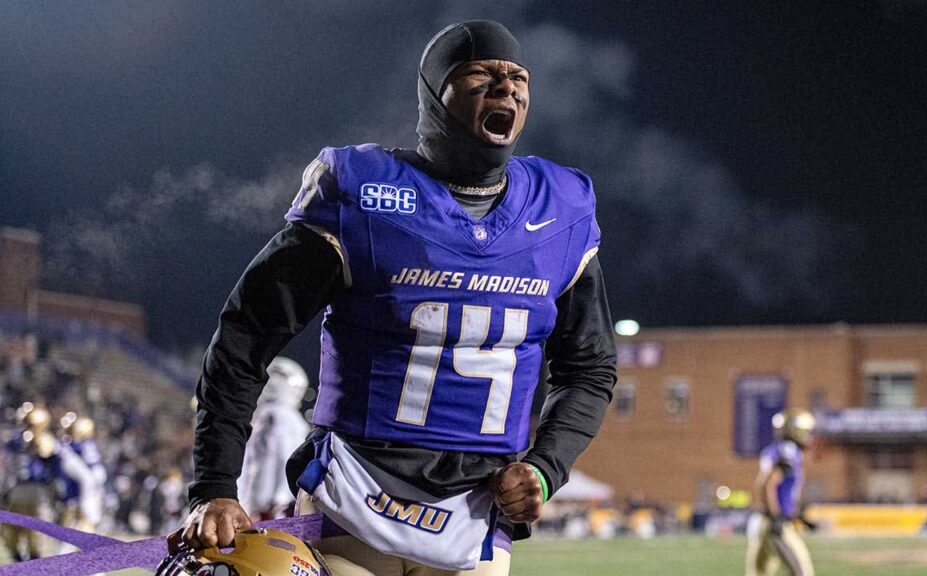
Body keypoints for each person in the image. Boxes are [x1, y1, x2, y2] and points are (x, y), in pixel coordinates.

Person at [168, 19, 617, 576]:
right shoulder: (364, 194)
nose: (506, 87)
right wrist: (214, 485)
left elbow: (590, 368)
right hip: (352, 496)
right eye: (482, 74)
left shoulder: (560, 210)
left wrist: (546, 467)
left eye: (517, 77)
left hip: (476, 510)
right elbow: (245, 337)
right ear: (435, 93)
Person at [236, 357, 311, 520]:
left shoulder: (276, 416)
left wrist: (266, 503)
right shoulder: (292, 419)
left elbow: (279, 460)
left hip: (267, 509)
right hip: (272, 506)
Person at [745, 409, 816, 576]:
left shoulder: (777, 449)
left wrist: (798, 516)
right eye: (805, 431)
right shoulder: (788, 451)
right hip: (774, 523)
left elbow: (774, 487)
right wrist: (776, 516)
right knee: (802, 572)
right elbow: (768, 484)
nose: (808, 436)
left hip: (764, 521)